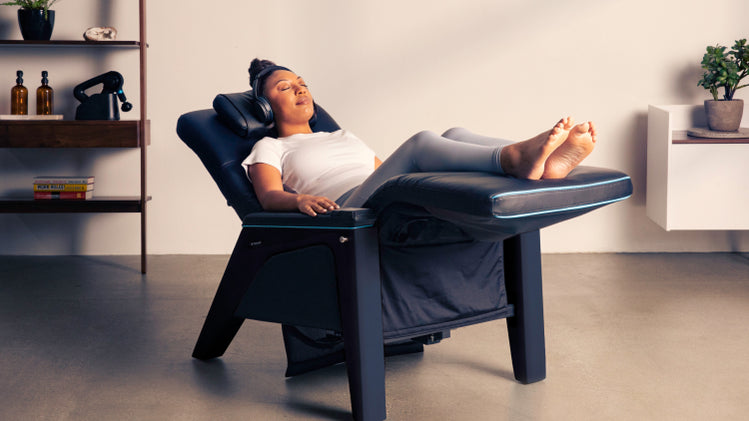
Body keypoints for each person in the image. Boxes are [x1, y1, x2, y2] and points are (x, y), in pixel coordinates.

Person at [242, 59, 597, 216]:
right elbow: (269, 197)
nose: (300, 90)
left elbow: (383, 172)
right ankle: (515, 159)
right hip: (347, 210)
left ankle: (545, 166)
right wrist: (300, 200)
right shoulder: (270, 147)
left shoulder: (343, 136)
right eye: (285, 87)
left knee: (455, 134)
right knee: (420, 144)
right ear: (265, 108)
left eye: (303, 83)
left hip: (378, 192)